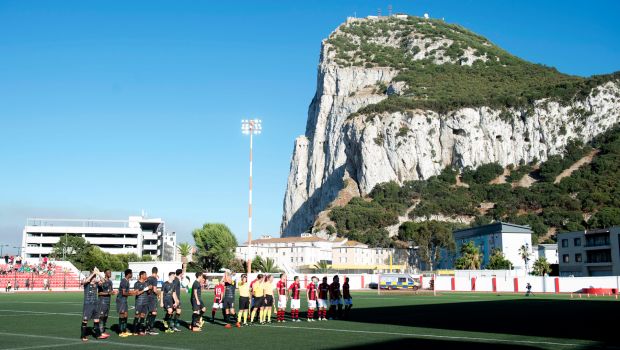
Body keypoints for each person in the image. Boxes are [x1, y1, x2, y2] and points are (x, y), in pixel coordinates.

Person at [81, 269, 109, 341]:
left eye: (95, 277)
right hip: (88, 305)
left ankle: (98, 335)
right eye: (94, 277)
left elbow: (104, 281)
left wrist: (98, 273)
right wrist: (93, 273)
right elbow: (85, 281)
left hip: (95, 305)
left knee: (96, 319)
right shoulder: (87, 284)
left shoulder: (96, 284)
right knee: (85, 320)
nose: (94, 278)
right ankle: (83, 336)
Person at [97, 269, 115, 336]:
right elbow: (99, 293)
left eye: (110, 272)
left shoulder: (110, 282)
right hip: (102, 301)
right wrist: (108, 293)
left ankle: (103, 331)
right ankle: (100, 332)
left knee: (106, 316)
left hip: (108, 301)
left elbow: (110, 291)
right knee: (101, 316)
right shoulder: (102, 281)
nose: (110, 274)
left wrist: (113, 292)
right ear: (105, 273)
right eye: (109, 273)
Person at [117, 269, 133, 337]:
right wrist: (132, 294)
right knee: (122, 314)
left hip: (124, 300)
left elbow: (127, 292)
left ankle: (124, 330)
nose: (132, 275)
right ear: (128, 274)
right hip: (121, 300)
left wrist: (132, 292)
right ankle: (120, 332)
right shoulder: (124, 281)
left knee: (126, 315)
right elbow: (123, 293)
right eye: (131, 273)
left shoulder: (127, 281)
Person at [132, 271, 149, 336]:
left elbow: (148, 293)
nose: (146, 276)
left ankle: (141, 330)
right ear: (141, 275)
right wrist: (145, 289)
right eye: (145, 275)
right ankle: (135, 330)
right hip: (139, 302)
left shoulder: (146, 283)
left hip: (145, 302)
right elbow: (137, 293)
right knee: (137, 316)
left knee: (143, 316)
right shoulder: (137, 284)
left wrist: (149, 289)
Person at [145, 267, 159, 335]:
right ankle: (151, 329)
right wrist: (159, 295)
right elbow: (155, 290)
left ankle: (147, 328)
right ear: (156, 272)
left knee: (150, 312)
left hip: (147, 297)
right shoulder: (154, 279)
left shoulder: (147, 278)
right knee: (154, 312)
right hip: (152, 297)